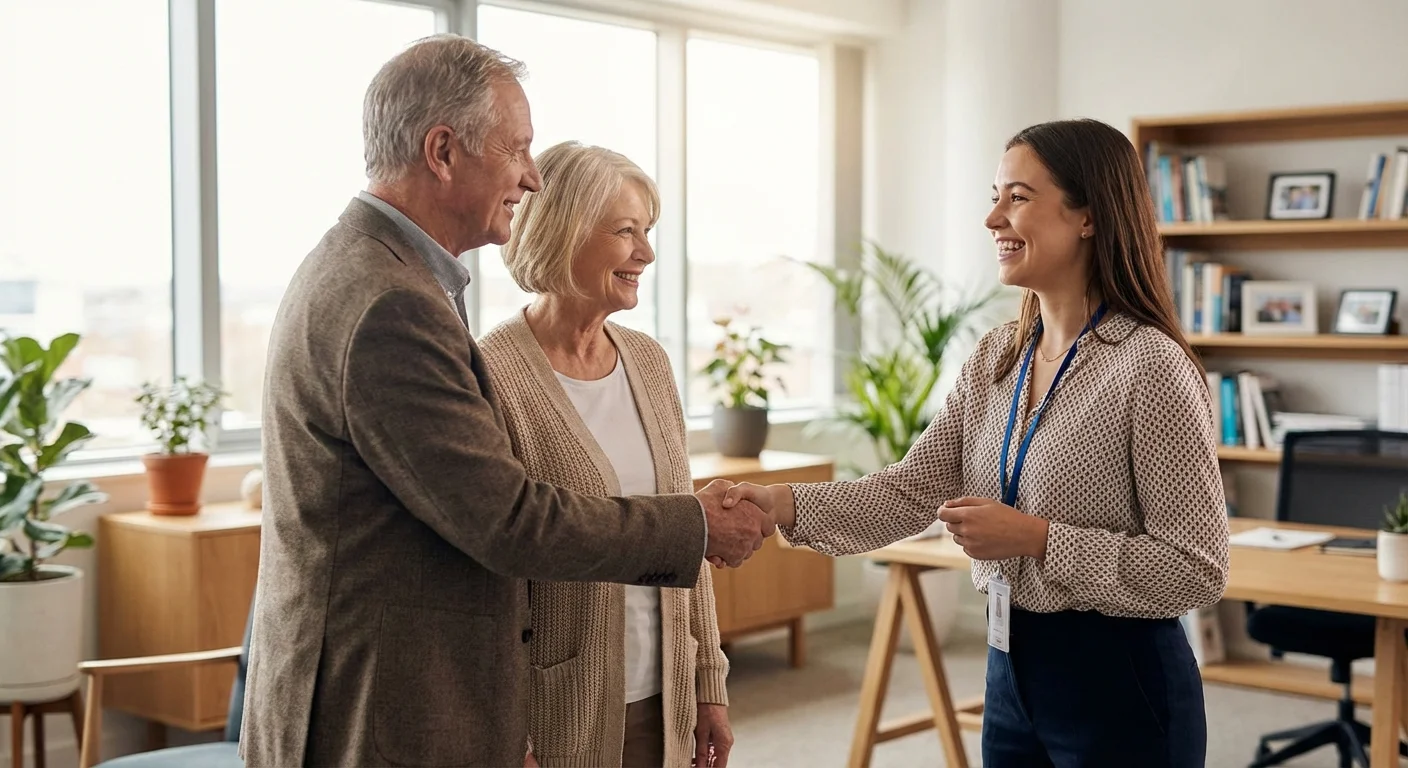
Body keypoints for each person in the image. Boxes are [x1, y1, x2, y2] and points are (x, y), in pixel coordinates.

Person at [240, 35, 772, 768]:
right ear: (443, 151)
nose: (530, 176)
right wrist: (694, 529)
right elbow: (507, 521)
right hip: (385, 708)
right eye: (516, 149)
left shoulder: (378, 272)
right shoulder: (391, 302)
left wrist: (704, 673)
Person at [723, 118, 1229, 767]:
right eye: (995, 195)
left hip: (1121, 682)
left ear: (1088, 218)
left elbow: (1197, 568)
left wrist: (1039, 539)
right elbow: (908, 492)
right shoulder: (996, 359)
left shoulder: (1150, 368)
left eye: (1017, 197)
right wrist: (779, 506)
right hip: (1010, 672)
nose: (993, 217)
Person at [480, 141, 732, 768]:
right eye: (625, 232)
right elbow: (492, 576)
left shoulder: (648, 361)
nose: (646, 252)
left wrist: (708, 682)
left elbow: (685, 527)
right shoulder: (489, 372)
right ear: (563, 232)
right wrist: (508, 732)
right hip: (557, 708)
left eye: (647, 232)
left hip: (663, 693)